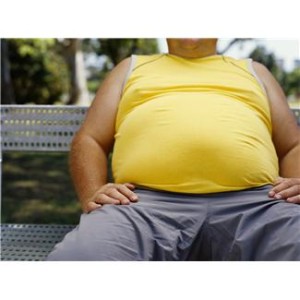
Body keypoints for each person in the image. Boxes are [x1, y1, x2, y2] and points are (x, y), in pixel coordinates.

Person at [47, 39, 300, 261]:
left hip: (258, 205)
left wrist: (296, 183)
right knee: (78, 262)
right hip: (141, 205)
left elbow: (293, 145)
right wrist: (92, 191)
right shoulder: (131, 67)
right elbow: (90, 138)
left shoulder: (254, 71)